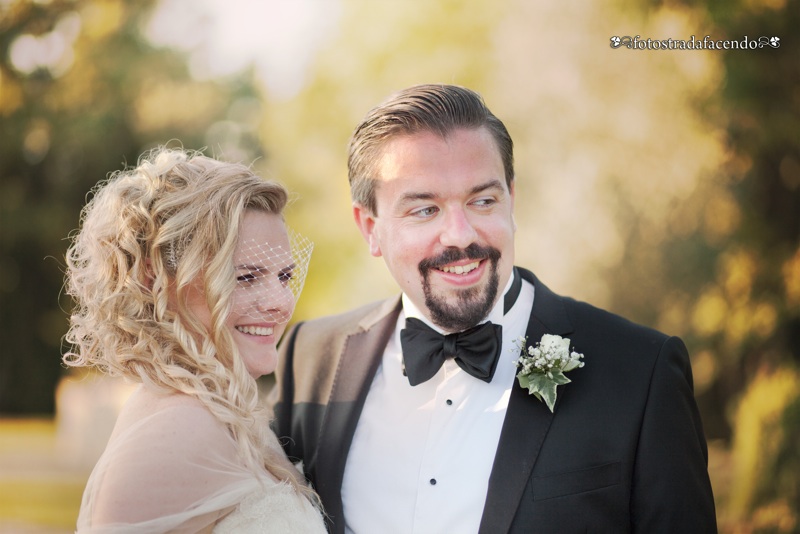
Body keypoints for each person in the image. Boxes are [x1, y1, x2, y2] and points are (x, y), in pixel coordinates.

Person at [269, 84, 717, 533]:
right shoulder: (310, 357)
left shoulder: (641, 372)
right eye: (425, 210)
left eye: (482, 201)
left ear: (512, 200)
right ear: (370, 228)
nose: (460, 235)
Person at [63, 147, 327, 533]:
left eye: (284, 277)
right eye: (247, 277)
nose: (280, 304)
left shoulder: (219, 409)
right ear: (160, 283)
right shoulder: (180, 429)